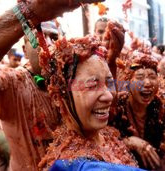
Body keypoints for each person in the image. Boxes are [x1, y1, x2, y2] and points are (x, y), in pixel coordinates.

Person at [0, 0, 104, 170]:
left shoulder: (71, 81)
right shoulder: (9, 82)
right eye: (38, 34)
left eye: (54, 37)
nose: (47, 43)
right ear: (24, 50)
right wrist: (28, 12)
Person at [38, 33, 140, 170]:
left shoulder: (105, 133)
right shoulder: (72, 164)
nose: (108, 96)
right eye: (92, 85)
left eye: (109, 82)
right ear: (58, 98)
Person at [110, 49, 165, 170]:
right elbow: (105, 139)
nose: (148, 83)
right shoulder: (117, 106)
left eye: (152, 76)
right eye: (139, 77)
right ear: (128, 82)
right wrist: (129, 142)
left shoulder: (159, 104)